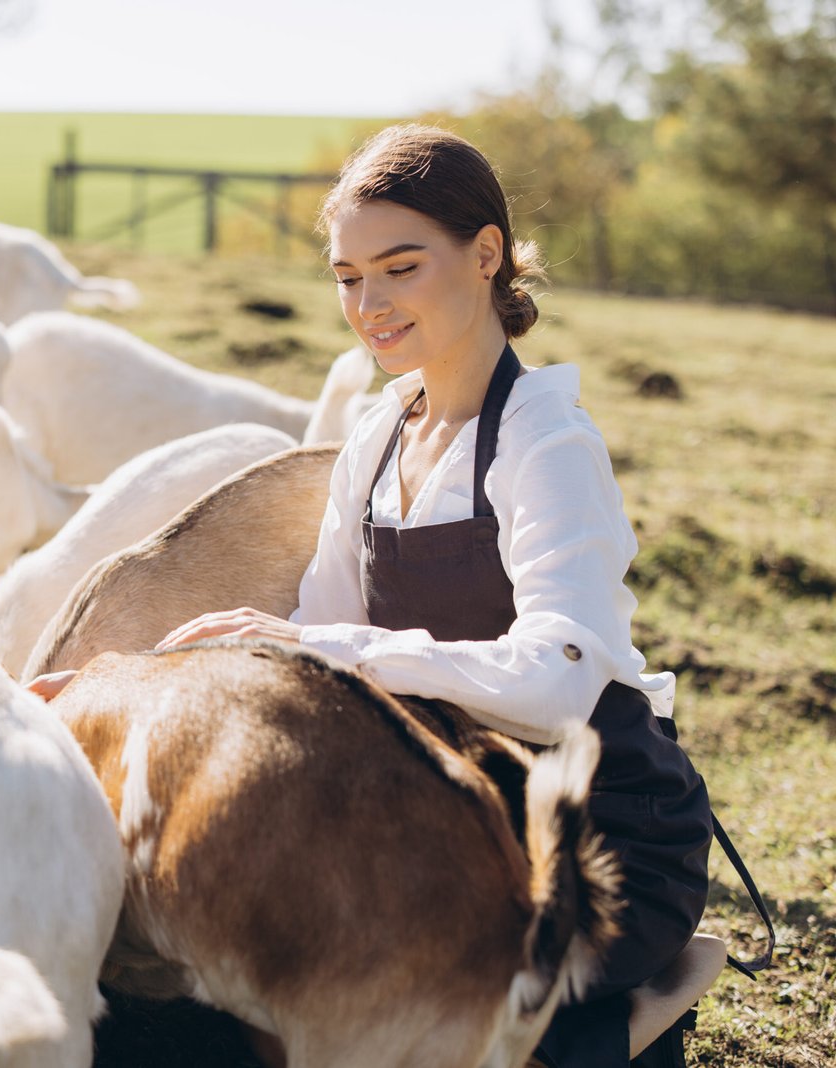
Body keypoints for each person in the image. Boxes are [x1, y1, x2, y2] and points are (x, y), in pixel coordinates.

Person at [141, 124, 714, 1067]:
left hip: (595, 829)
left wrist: (337, 651)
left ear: (486, 255)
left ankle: (628, 1015)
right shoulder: (375, 440)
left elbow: (559, 682)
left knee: (400, 1007)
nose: (369, 305)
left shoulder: (548, 442)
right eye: (347, 277)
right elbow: (323, 631)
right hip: (440, 803)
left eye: (400, 268)